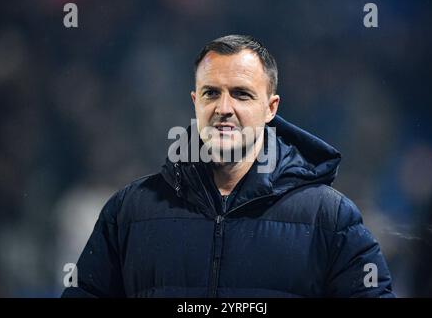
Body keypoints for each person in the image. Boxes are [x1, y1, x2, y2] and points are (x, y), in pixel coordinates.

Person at [62, 35, 394, 298]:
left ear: (270, 107)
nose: (224, 108)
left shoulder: (330, 219)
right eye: (211, 93)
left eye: (241, 94)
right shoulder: (129, 211)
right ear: (195, 102)